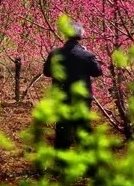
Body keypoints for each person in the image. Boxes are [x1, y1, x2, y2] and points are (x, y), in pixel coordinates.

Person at [43, 21, 103, 149]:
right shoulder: (87, 55)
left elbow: (47, 72)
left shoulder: (55, 54)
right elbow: (97, 72)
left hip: (62, 97)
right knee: (83, 131)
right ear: (81, 36)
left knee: (62, 131)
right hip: (81, 99)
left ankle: (60, 162)